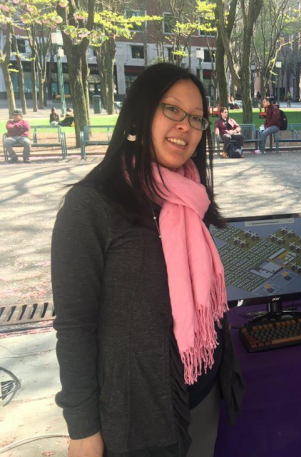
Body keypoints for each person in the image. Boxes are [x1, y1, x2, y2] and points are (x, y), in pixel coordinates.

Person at [51, 63, 244, 457]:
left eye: (196, 118)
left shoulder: (192, 196)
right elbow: (74, 326)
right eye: (171, 109)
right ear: (140, 115)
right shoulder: (91, 205)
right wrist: (82, 428)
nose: (185, 125)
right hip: (141, 417)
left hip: (205, 393)